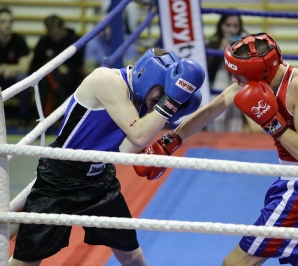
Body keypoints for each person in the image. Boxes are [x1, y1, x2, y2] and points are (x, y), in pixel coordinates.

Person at [134, 33, 298, 265]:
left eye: (239, 75)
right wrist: (173, 139)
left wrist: (271, 122)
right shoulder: (250, 84)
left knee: (235, 263)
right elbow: (211, 111)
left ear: (261, 72)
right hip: (297, 181)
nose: (234, 79)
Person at [10, 48, 205, 266]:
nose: (159, 102)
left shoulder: (144, 98)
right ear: (147, 75)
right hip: (60, 177)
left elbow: (123, 150)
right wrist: (170, 103)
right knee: (27, 261)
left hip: (100, 177)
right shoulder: (107, 80)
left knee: (131, 255)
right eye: (161, 95)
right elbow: (139, 136)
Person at [29, 14, 84, 117]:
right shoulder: (44, 42)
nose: (54, 37)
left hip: (71, 79)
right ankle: (67, 111)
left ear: (62, 28)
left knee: (51, 77)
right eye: (52, 34)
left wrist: (68, 70)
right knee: (49, 77)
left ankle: (44, 119)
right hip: (47, 79)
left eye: (57, 34)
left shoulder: (75, 41)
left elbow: (80, 66)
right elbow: (34, 65)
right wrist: (48, 67)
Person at [206, 14, 247, 132]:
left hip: (238, 83)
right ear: (221, 26)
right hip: (217, 84)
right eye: (227, 25)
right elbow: (208, 72)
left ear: (240, 28)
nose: (231, 29)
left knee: (236, 114)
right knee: (217, 112)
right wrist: (220, 50)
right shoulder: (213, 43)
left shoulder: (245, 44)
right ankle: (214, 141)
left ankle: (235, 144)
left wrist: (241, 51)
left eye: (235, 26)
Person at [0, 6, 31, 128]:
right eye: (3, 22)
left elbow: (24, 67)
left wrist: (7, 69)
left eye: (10, 22)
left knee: (24, 77)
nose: (7, 25)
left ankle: (24, 118)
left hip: (14, 79)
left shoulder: (19, 41)